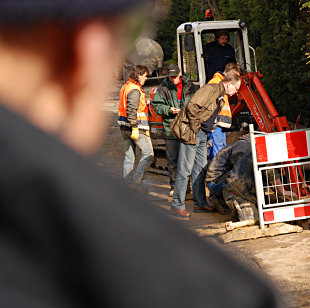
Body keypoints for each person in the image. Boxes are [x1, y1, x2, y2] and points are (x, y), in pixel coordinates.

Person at [0, 2, 281, 307]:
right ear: (85, 48)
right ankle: (161, 194)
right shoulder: (210, 289)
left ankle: (189, 198)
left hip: (183, 133)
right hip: (169, 134)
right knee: (166, 165)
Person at [170, 70, 242, 217]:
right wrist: (196, 127)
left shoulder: (221, 94)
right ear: (228, 84)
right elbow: (192, 107)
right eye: (236, 88)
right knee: (185, 170)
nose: (236, 92)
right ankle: (177, 205)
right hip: (193, 132)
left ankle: (200, 203)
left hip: (202, 133)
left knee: (201, 168)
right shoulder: (212, 89)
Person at [152, 64, 198, 196]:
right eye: (171, 77)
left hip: (187, 128)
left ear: (180, 74)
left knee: (188, 159)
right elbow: (156, 105)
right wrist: (168, 110)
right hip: (171, 129)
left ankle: (188, 186)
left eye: (175, 77)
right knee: (173, 159)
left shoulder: (190, 86)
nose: (173, 79)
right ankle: (175, 187)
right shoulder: (163, 88)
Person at [118, 65, 154, 190]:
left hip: (124, 128)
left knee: (129, 157)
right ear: (139, 75)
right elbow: (131, 110)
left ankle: (127, 187)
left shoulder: (125, 87)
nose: (146, 79)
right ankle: (136, 183)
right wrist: (134, 126)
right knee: (148, 154)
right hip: (137, 128)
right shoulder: (134, 90)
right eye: (145, 76)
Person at [206, 62, 240, 161]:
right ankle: (216, 175)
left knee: (221, 152)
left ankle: (218, 173)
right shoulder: (216, 82)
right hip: (215, 125)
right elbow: (209, 104)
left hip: (220, 125)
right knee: (217, 155)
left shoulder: (221, 83)